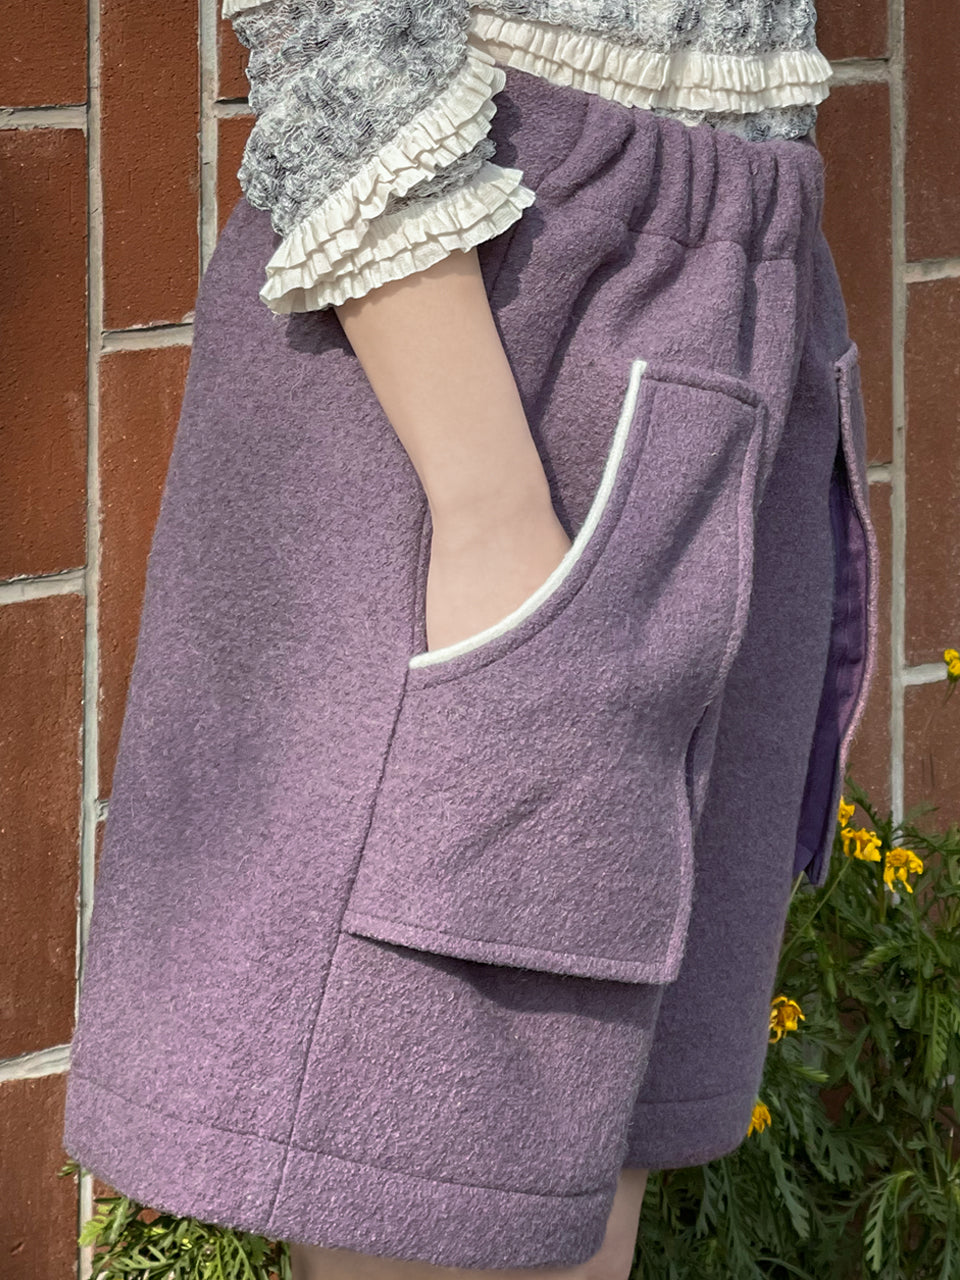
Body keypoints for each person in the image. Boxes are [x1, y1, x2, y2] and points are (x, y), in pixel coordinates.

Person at [61, 4, 880, 1280]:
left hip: (742, 287)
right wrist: (492, 505)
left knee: (565, 1209)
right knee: (428, 1197)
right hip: (497, 319)